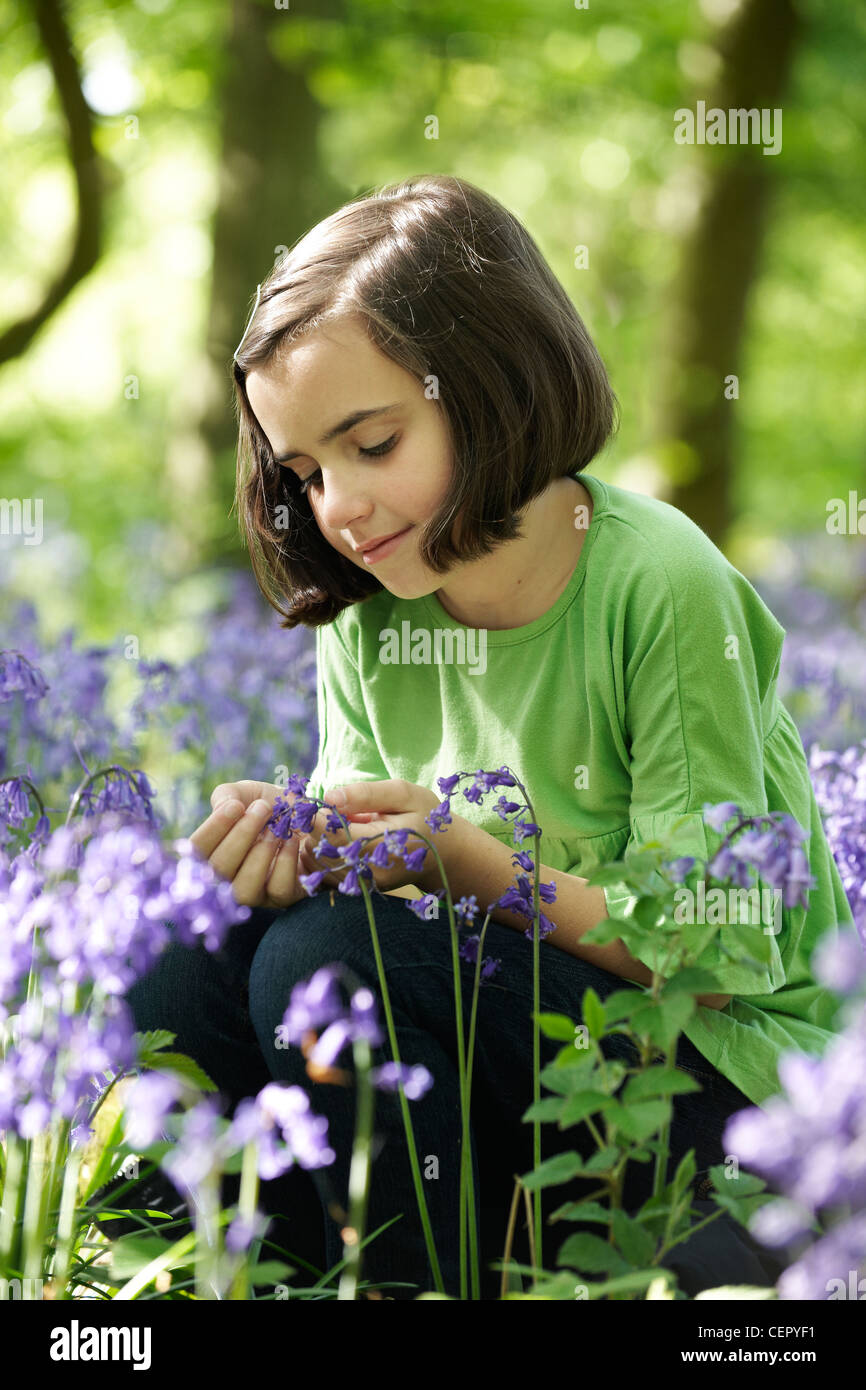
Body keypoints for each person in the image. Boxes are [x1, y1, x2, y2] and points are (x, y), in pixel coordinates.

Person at [125, 174, 850, 1300]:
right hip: (513, 1064)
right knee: (179, 976)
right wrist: (287, 858)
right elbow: (359, 899)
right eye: (305, 472)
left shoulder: (657, 581)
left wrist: (470, 864)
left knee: (334, 964)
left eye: (372, 442)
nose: (339, 508)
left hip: (724, 1101)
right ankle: (237, 1282)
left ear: (488, 380)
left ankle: (421, 1285)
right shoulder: (369, 624)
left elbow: (714, 952)